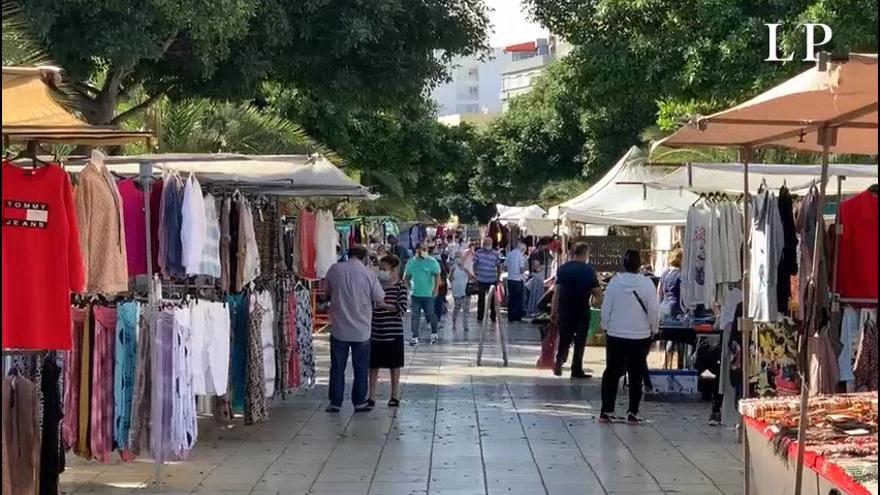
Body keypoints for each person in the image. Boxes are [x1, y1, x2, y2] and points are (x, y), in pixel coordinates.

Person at [323, 245, 388, 413]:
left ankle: (335, 402)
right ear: (364, 257)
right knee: (361, 367)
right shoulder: (369, 274)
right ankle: (359, 401)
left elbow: (326, 292)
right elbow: (379, 298)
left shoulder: (335, 269)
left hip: (339, 328)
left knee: (337, 367)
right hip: (362, 329)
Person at [599, 250, 660, 425]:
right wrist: (654, 328)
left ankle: (606, 410)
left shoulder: (615, 283)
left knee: (611, 371)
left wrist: (605, 325)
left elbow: (606, 306)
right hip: (640, 335)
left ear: (623, 264)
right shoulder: (647, 284)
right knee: (636, 373)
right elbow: (653, 309)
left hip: (616, 333)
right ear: (639, 264)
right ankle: (633, 411)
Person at [551, 243, 602, 379]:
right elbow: (598, 293)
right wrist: (594, 301)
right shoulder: (589, 271)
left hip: (565, 310)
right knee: (580, 340)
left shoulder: (563, 269)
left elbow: (557, 291)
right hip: (582, 309)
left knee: (565, 338)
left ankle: (560, 360)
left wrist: (553, 310)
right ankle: (576, 369)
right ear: (585, 254)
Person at [369, 255, 408, 408]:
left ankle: (394, 395)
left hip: (393, 331)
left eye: (385, 269)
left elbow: (402, 308)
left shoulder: (400, 286)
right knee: (373, 365)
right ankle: (371, 395)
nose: (382, 271)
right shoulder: (375, 284)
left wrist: (384, 306)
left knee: (394, 365)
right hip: (375, 330)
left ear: (393, 270)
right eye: (381, 268)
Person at [404, 242, 441, 345]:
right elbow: (407, 277)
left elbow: (437, 275)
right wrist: (407, 288)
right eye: (422, 249)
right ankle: (415, 336)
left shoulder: (432, 262)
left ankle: (434, 333)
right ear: (417, 250)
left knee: (430, 314)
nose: (424, 252)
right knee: (415, 316)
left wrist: (436, 288)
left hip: (428, 294)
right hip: (415, 294)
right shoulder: (411, 262)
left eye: (426, 249)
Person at [473, 237, 501, 324]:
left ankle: (493, 317)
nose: (488, 245)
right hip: (481, 279)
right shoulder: (478, 253)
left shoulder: (496, 254)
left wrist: (498, 277)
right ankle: (480, 317)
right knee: (481, 299)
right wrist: (476, 274)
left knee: (493, 300)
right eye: (486, 244)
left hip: (492, 279)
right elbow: (475, 264)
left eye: (489, 244)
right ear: (484, 244)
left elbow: (499, 266)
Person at [526, 238, 552, 317]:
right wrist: (545, 266)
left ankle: (536, 310)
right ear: (541, 245)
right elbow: (536, 267)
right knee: (537, 295)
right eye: (546, 246)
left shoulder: (542, 253)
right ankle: (535, 310)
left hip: (540, 277)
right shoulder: (536, 254)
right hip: (537, 277)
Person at [504, 240, 527, 322]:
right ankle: (517, 316)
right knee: (518, 299)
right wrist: (523, 272)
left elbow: (505, 267)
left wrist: (511, 270)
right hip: (517, 280)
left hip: (510, 279)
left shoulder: (509, 254)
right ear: (522, 249)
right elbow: (521, 269)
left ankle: (510, 316)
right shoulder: (520, 256)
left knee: (511, 298)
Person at [449, 252, 471, 332]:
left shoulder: (466, 267)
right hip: (457, 290)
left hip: (466, 290)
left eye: (460, 258)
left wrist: (467, 272)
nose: (459, 260)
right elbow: (450, 279)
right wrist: (451, 272)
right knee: (457, 307)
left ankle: (465, 325)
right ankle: (454, 323)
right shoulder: (453, 268)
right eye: (457, 258)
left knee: (466, 308)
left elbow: (472, 277)